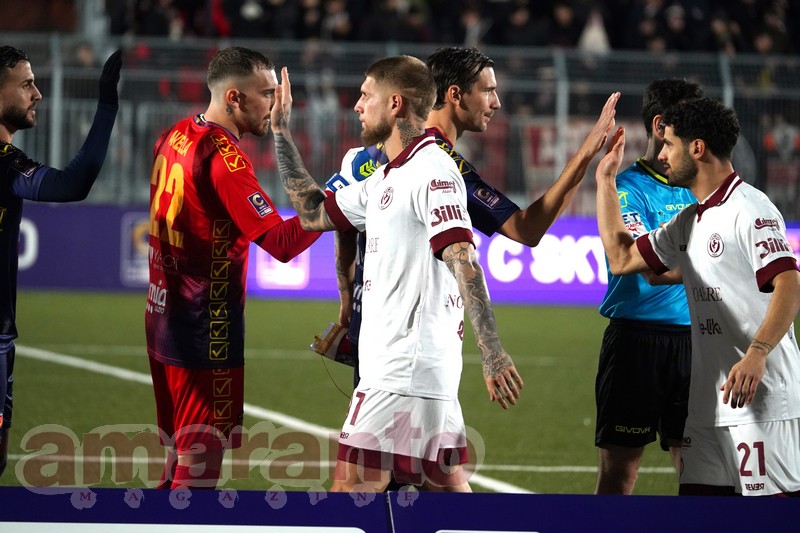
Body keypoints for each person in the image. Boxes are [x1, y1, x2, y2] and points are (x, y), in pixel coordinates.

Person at [271, 55, 523, 492]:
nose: (357, 105)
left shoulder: (432, 169)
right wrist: (281, 132)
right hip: (413, 375)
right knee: (446, 499)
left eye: (366, 95)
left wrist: (493, 351)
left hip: (400, 377)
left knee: (347, 500)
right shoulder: (388, 176)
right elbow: (312, 212)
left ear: (395, 104)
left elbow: (463, 259)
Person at [313, 47, 620, 393]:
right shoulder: (437, 160)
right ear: (455, 95)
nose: (496, 103)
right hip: (411, 349)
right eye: (488, 91)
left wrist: (348, 300)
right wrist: (586, 154)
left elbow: (341, 223)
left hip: (372, 328)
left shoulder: (371, 153)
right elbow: (526, 229)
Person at [595, 97, 800, 496]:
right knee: (700, 514)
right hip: (708, 409)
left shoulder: (750, 209)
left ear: (697, 148)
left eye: (670, 144)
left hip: (762, 403)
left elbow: (789, 283)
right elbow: (622, 259)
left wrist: (757, 353)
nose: (662, 154)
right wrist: (605, 181)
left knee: (766, 520)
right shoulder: (689, 221)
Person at [145, 46, 320, 490]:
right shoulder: (225, 158)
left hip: (162, 315)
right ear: (234, 98)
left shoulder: (175, 134)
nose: (276, 105)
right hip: (204, 328)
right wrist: (341, 198)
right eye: (268, 94)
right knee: (198, 470)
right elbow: (281, 243)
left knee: (179, 458)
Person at [0, 45, 121, 477]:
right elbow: (71, 184)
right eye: (27, 84)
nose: (37, 94)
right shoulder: (4, 165)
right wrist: (107, 106)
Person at [593, 79, 704, 495]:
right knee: (620, 475)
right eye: (690, 123)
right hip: (636, 344)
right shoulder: (627, 190)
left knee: (699, 473)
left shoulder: (702, 189)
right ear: (661, 126)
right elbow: (646, 266)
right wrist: (718, 264)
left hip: (697, 342)